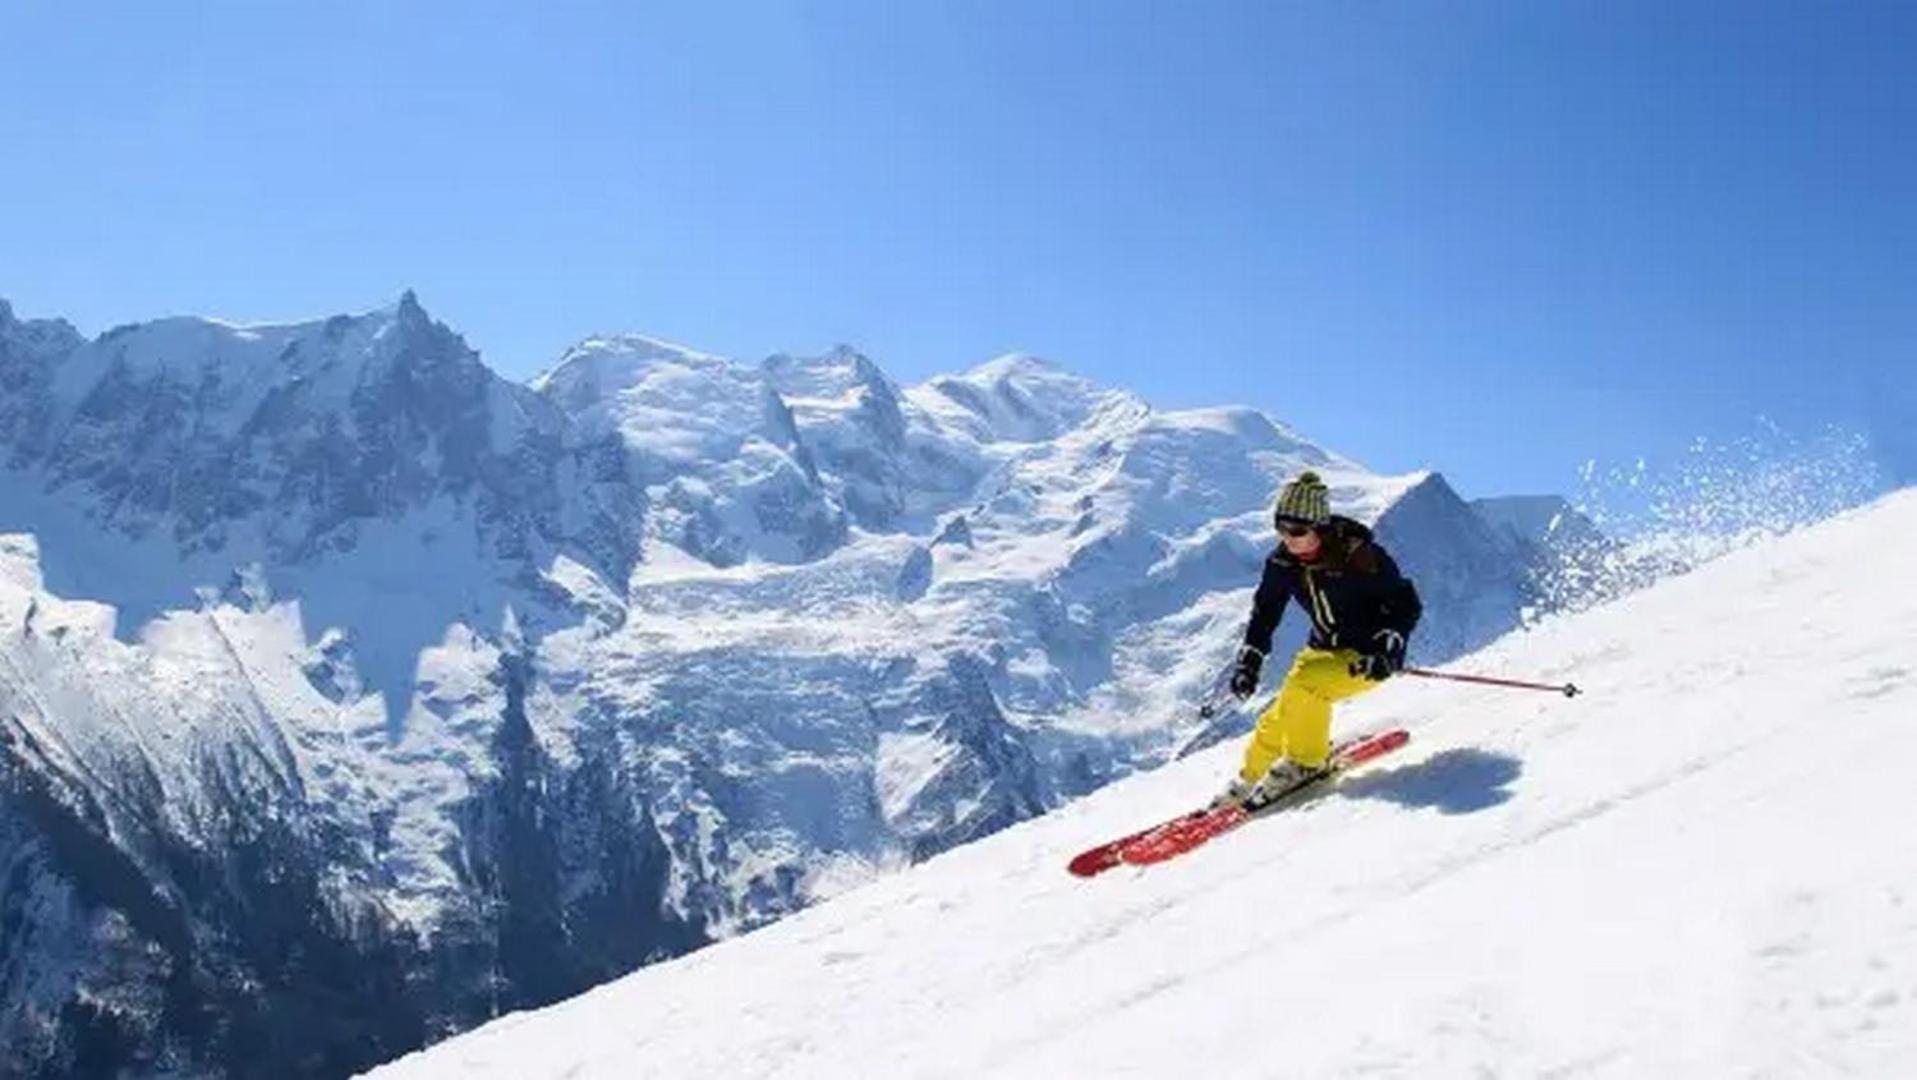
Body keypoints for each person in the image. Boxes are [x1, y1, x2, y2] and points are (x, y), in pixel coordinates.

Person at [1214, 470, 1423, 809]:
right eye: (1280, 528)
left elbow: (1404, 602)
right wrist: (1250, 660)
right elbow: (1266, 610)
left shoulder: (1360, 556)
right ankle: (1250, 778)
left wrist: (1388, 645)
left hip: (1364, 658)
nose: (1288, 538)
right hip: (1320, 652)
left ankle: (1305, 762)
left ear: (1320, 528)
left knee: (1305, 687)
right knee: (1277, 718)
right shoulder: (1282, 562)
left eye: (1297, 530)